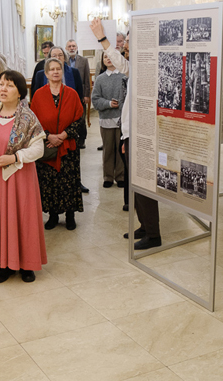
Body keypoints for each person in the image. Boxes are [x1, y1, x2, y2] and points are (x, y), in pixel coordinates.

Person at [90, 20, 161, 248]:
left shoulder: (147, 65)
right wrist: (124, 137)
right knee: (136, 186)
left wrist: (102, 38)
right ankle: (144, 226)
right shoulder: (137, 64)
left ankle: (154, 235)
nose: (126, 45)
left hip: (143, 136)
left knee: (145, 186)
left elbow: (119, 61)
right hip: (131, 134)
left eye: (129, 41)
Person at [0, 70, 47, 283]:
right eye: (1, 84)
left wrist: (14, 158)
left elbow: (38, 149)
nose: (3, 89)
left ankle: (26, 264)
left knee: (23, 218)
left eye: (10, 85)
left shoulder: (27, 116)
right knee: (0, 218)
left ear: (20, 92)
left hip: (21, 178)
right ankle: (4, 264)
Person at [30, 58, 84, 230]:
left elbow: (79, 118)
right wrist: (48, 136)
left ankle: (70, 215)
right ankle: (53, 215)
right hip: (48, 147)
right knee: (49, 183)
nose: (55, 72)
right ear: (46, 74)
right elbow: (34, 121)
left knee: (69, 181)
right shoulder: (38, 95)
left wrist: (63, 135)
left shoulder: (71, 93)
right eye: (51, 69)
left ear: (62, 71)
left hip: (68, 146)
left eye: (58, 69)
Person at [91, 53, 126, 188]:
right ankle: (108, 176)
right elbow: (95, 99)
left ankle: (120, 176)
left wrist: (120, 106)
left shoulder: (124, 76)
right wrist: (108, 104)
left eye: (111, 56)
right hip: (106, 120)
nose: (108, 59)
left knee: (120, 149)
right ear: (103, 61)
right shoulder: (100, 79)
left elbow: (128, 97)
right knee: (108, 149)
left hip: (122, 119)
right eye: (105, 57)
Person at [66, 39, 91, 148]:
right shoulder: (63, 60)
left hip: (80, 94)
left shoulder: (83, 60)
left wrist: (86, 95)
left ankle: (82, 140)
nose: (72, 48)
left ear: (77, 47)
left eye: (73, 46)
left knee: (81, 118)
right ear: (66, 48)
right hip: (67, 95)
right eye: (70, 46)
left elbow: (87, 78)